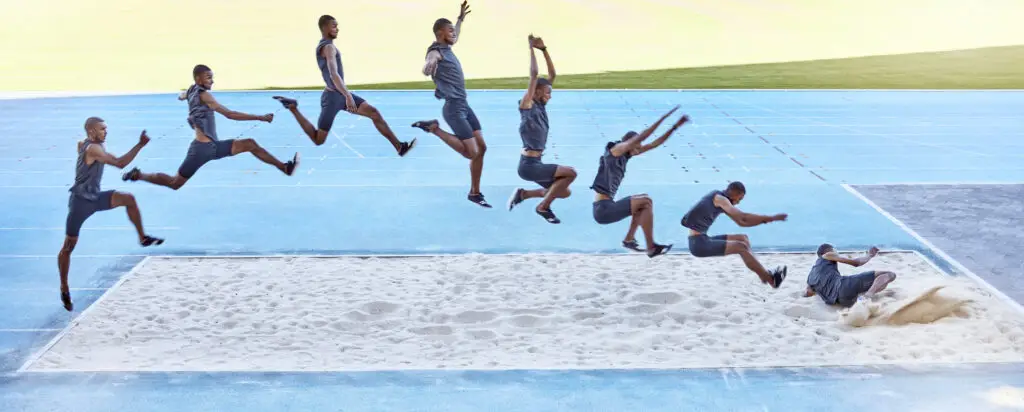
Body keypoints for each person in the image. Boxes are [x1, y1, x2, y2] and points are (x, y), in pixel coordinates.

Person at [122, 65, 299, 188]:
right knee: (175, 183)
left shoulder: (192, 90)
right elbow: (230, 114)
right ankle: (140, 175)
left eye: (212, 78)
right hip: (201, 150)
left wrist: (186, 99)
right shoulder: (205, 96)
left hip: (213, 146)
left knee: (250, 144)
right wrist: (260, 117)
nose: (212, 81)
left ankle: (284, 167)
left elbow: (181, 95)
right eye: (208, 78)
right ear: (198, 78)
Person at [272, 15, 416, 156]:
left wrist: (345, 94)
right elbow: (334, 74)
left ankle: (399, 147)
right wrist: (347, 95)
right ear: (324, 28)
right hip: (332, 99)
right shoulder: (328, 47)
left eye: (337, 26)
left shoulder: (327, 46)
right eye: (334, 26)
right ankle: (293, 108)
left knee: (374, 113)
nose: (337, 29)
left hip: (339, 94)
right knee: (318, 140)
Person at [60, 118, 164, 311]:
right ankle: (64, 287)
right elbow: (119, 163)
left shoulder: (86, 144)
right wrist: (140, 145)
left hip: (96, 198)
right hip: (80, 203)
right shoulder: (93, 149)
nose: (106, 132)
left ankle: (142, 237)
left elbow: (80, 146)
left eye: (106, 128)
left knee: (128, 199)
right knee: (68, 247)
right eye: (102, 129)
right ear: (91, 131)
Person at [411, 1, 492, 208]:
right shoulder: (436, 51)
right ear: (440, 33)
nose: (453, 34)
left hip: (464, 105)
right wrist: (428, 67)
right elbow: (429, 63)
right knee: (471, 153)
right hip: (454, 108)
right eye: (449, 31)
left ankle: (475, 193)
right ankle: (434, 128)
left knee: (481, 148)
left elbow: (455, 32)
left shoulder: (447, 45)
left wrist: (460, 19)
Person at [590, 106, 689, 258]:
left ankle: (629, 239)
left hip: (607, 206)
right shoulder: (615, 150)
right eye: (636, 147)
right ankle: (651, 246)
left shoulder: (626, 154)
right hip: (602, 210)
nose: (639, 150)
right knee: (646, 200)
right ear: (629, 143)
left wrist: (675, 127)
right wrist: (663, 118)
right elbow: (642, 137)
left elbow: (654, 143)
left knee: (643, 203)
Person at [506, 34, 575, 223]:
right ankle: (543, 207)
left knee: (564, 191)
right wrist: (530, 49)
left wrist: (544, 50)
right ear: (536, 91)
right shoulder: (527, 104)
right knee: (571, 173)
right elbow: (534, 75)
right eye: (547, 93)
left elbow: (552, 76)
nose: (550, 96)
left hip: (535, 163)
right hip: (528, 165)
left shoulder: (541, 104)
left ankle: (524, 194)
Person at [680, 182, 788, 288]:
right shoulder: (720, 199)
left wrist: (765, 220)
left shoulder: (721, 200)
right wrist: (770, 218)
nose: (738, 202)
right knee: (741, 247)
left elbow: (742, 222)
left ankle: (762, 273)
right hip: (699, 244)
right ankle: (770, 279)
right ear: (734, 194)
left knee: (743, 238)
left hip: (702, 239)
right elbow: (743, 217)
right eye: (739, 199)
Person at [805, 244, 897, 307]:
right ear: (828, 251)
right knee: (889, 274)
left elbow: (808, 293)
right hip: (844, 286)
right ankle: (868, 296)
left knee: (878, 284)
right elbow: (856, 263)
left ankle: (864, 297)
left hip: (841, 301)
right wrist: (869, 255)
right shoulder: (827, 255)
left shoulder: (810, 276)